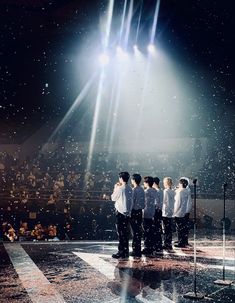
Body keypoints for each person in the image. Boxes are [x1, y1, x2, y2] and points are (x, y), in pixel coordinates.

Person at [111, 171, 133, 259]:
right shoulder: (130, 188)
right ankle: (126, 251)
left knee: (120, 233)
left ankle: (121, 252)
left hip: (120, 213)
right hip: (127, 214)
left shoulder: (120, 188)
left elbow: (113, 198)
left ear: (120, 178)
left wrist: (115, 187)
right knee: (125, 233)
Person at [130, 173, 145, 258]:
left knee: (135, 232)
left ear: (134, 180)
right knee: (138, 231)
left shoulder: (134, 190)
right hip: (140, 212)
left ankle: (135, 250)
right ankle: (138, 249)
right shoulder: (142, 189)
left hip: (134, 212)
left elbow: (132, 202)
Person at [174, 178, 190, 247]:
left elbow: (178, 203)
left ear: (181, 184)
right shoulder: (186, 191)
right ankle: (183, 241)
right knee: (182, 228)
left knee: (179, 228)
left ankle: (180, 242)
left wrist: (174, 211)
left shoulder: (180, 192)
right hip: (183, 211)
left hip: (178, 212)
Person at [142, 176, 156, 256]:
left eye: (144, 182)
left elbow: (144, 202)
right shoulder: (154, 190)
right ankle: (151, 246)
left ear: (147, 183)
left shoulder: (146, 191)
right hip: (152, 212)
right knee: (150, 230)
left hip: (146, 212)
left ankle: (147, 247)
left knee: (146, 231)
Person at [162, 177, 175, 251]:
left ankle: (166, 243)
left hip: (165, 211)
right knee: (169, 229)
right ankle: (168, 243)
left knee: (166, 229)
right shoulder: (172, 191)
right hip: (170, 211)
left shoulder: (166, 191)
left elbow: (164, 201)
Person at [153, 177, 163, 253]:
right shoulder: (161, 190)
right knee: (158, 227)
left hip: (156, 211)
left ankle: (157, 244)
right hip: (159, 211)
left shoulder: (156, 191)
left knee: (156, 228)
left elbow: (156, 202)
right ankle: (158, 244)